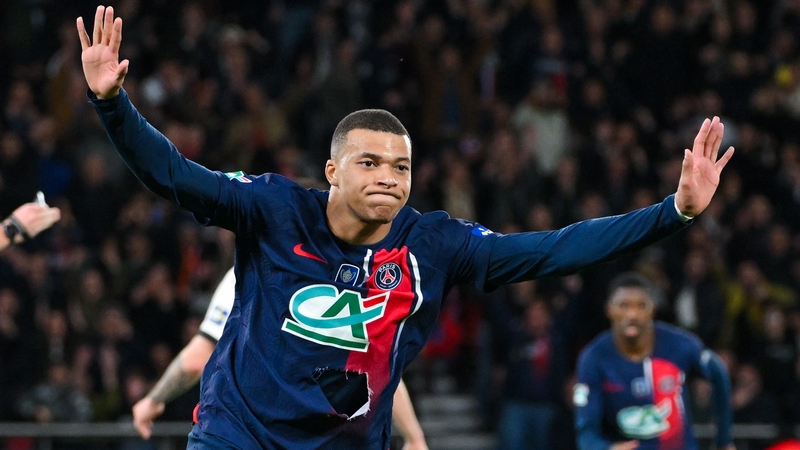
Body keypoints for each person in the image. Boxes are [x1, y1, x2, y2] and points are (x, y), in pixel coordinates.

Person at [76, 6, 733, 449]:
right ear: (332, 170)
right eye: (369, 163)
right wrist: (111, 103)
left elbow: (554, 250)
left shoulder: (432, 245)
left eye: (401, 166)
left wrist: (672, 212)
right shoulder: (275, 209)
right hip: (236, 437)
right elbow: (174, 174)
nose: (389, 177)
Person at [132, 268, 428, 450]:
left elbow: (199, 356)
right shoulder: (353, 282)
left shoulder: (251, 268)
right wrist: (414, 436)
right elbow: (375, 374)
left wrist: (153, 400)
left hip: (248, 432)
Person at [573, 272, 735, 450]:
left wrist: (724, 441)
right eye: (624, 306)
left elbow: (718, 372)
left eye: (641, 306)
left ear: (652, 310)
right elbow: (585, 433)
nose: (632, 315)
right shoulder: (593, 358)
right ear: (609, 310)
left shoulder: (679, 345)